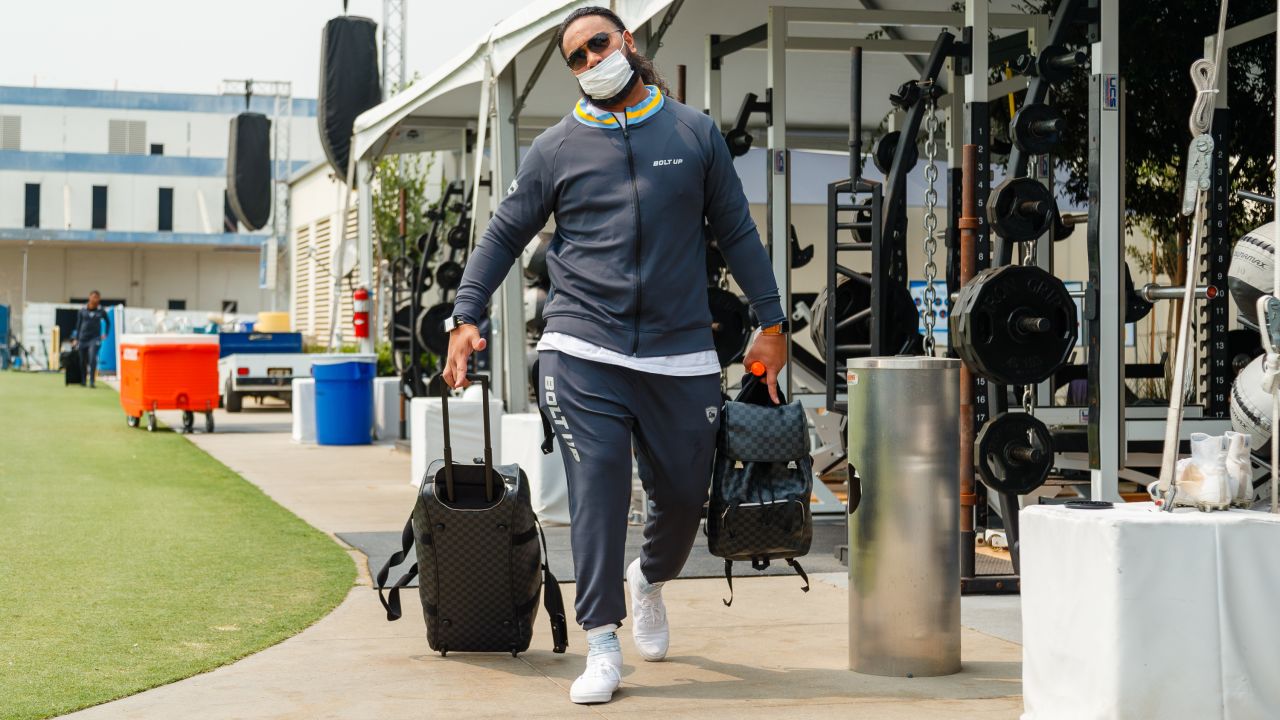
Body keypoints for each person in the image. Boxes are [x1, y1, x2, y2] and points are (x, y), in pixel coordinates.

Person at [444, 6, 788, 705]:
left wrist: (773, 322)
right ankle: (602, 642)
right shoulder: (556, 148)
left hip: (681, 352)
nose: (590, 59)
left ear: (627, 43)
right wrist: (466, 314)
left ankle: (649, 580)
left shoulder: (693, 135)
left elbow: (739, 233)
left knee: (685, 499)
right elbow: (504, 233)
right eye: (575, 56)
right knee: (597, 485)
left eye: (597, 43)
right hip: (581, 347)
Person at [72, 291, 110, 388]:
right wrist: (76, 338)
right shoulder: (82, 310)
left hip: (95, 338)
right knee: (82, 360)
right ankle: (83, 380)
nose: (95, 299)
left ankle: (92, 381)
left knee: (92, 358)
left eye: (97, 297)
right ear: (89, 298)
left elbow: (108, 322)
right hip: (83, 338)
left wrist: (105, 333)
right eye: (93, 297)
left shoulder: (101, 311)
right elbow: (78, 325)